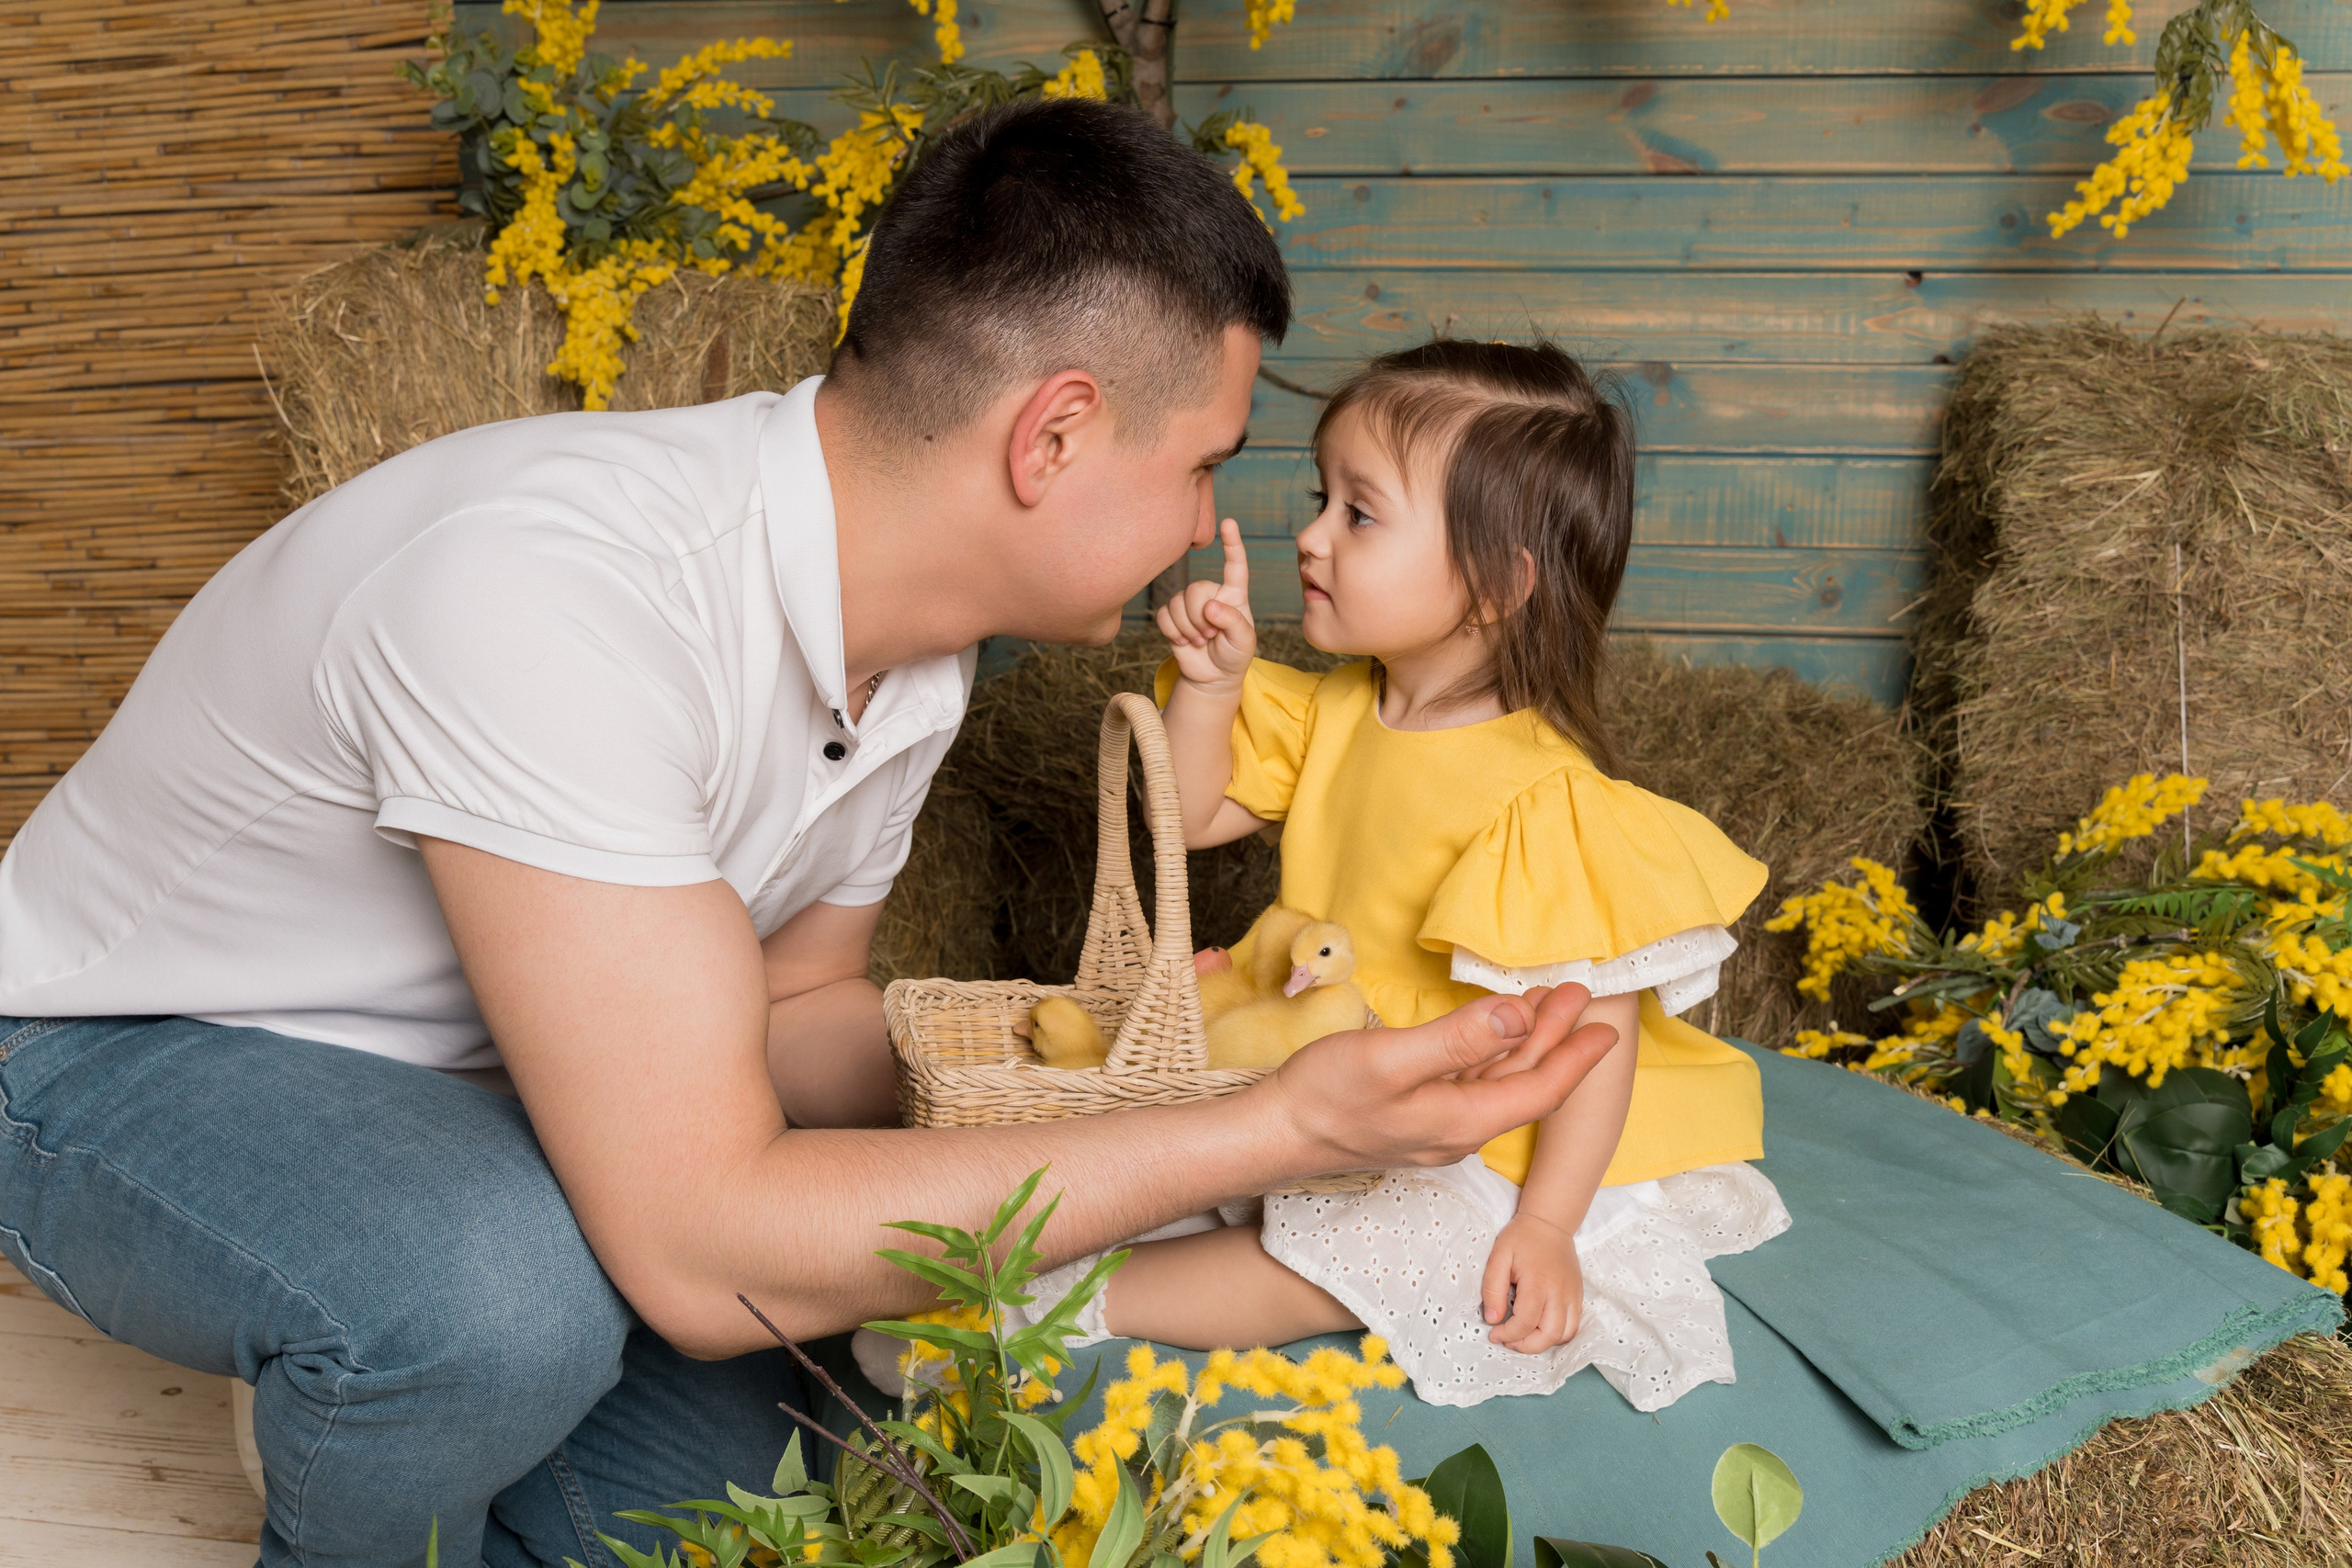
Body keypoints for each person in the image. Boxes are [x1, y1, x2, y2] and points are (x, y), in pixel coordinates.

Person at [0, 105, 1618, 1567]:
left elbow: (793, 1012)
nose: (1210, 522)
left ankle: (406, 1396)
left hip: (504, 1092)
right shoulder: (545, 594)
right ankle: (366, 1400)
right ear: (1051, 437)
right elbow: (708, 1251)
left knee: (864, 1464)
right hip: (123, 1055)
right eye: (1202, 463)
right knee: (498, 1299)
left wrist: (1148, 1068)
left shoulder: (912, 649)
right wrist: (1275, 1132)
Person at [1068, 341, 1792, 1409]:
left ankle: (1078, 1301)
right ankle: (1045, 1255)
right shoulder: (1335, 709)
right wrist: (1212, 688)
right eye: (1322, 499)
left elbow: (1595, 1038)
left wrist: (1543, 1223)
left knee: (1369, 1257)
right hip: (1316, 1060)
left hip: (1468, 1128)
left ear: (1496, 586)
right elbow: (1194, 814)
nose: (1308, 533)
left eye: (1357, 514)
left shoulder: (1544, 797)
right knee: (1163, 1145)